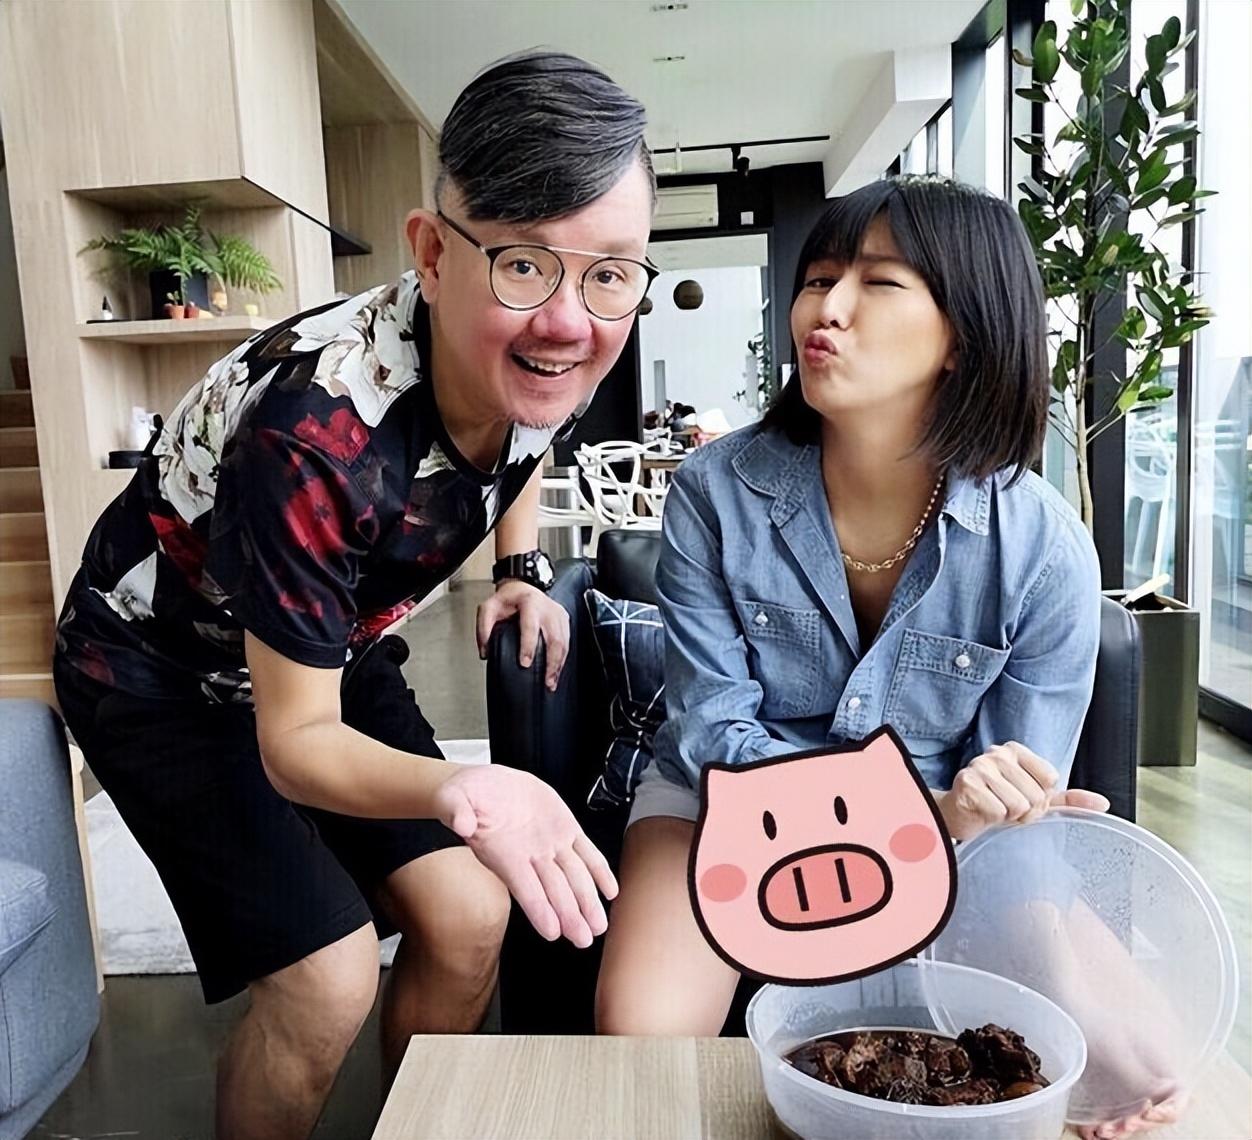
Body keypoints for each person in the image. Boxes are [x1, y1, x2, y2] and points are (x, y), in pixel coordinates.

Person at [52, 51, 656, 1140]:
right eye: (524, 263)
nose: (569, 321)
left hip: (330, 643)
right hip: (159, 672)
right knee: (326, 980)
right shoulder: (312, 435)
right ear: (432, 251)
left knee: (468, 918)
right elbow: (297, 745)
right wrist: (466, 790)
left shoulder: (549, 347)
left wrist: (520, 570)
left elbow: (531, 430)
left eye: (609, 273)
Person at [596, 175, 1185, 1138]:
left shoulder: (1044, 549)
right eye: (818, 278)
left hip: (954, 831)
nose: (825, 309)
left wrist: (984, 817)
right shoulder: (714, 489)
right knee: (642, 1045)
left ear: (964, 335)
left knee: (1136, 1073)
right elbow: (711, 736)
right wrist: (913, 810)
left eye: (879, 283)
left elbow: (1012, 802)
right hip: (723, 801)